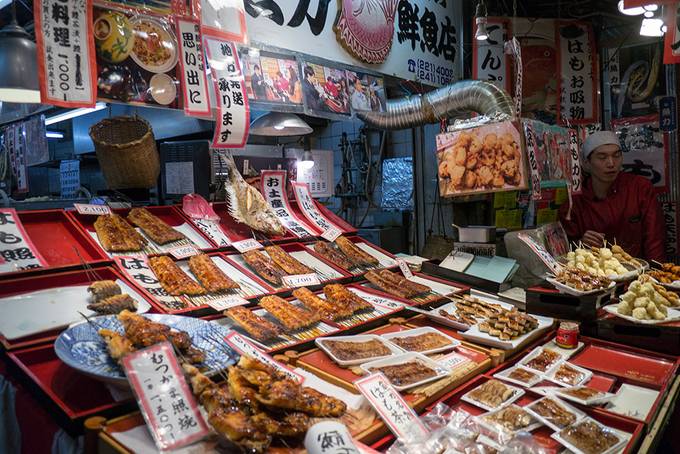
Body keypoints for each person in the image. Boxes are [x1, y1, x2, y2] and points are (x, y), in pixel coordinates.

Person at [558, 130, 666, 262]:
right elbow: (564, 251)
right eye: (602, 157)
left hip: (638, 274)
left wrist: (656, 273)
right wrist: (581, 244)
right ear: (586, 163)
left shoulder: (639, 188)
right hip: (594, 276)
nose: (611, 163)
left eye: (616, 155)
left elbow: (654, 238)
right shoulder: (573, 202)